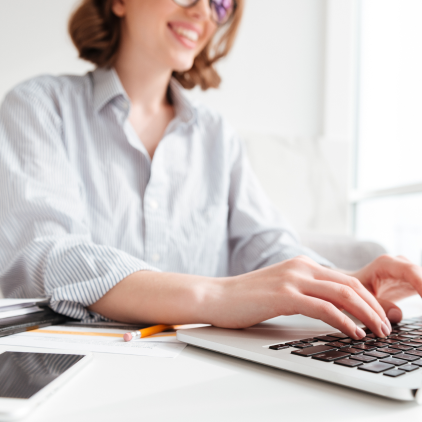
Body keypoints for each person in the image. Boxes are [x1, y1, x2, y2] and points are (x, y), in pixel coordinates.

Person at [0, 0, 421, 341]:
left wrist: (340, 286)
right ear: (119, 3)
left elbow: (268, 246)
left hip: (200, 366)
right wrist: (217, 295)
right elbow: (48, 256)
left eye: (220, 4)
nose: (203, 12)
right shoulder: (38, 106)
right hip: (77, 366)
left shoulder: (217, 136)